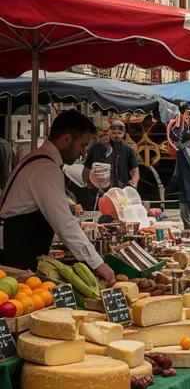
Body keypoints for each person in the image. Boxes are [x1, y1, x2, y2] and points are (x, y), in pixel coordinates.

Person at [0, 110, 115, 285]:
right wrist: (98, 263)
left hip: (20, 250)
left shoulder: (40, 161)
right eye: (83, 145)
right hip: (16, 254)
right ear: (66, 139)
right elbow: (64, 223)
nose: (84, 153)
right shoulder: (45, 169)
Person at [82, 120, 139, 190]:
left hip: (122, 188)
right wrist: (89, 181)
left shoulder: (128, 149)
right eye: (114, 133)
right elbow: (86, 167)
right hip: (101, 188)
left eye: (119, 133)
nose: (117, 135)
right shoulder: (95, 149)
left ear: (123, 133)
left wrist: (134, 184)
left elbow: (135, 170)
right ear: (109, 132)